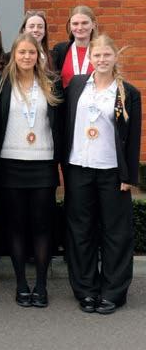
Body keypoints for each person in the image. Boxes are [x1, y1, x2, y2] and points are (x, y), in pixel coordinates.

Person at [63, 34, 141, 315]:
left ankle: (112, 292)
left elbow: (133, 138)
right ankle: (85, 289)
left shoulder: (127, 93)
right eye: (97, 55)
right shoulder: (76, 85)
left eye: (107, 55)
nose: (102, 59)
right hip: (79, 167)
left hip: (111, 171)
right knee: (80, 231)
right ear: (90, 58)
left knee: (116, 233)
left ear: (115, 57)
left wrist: (128, 177)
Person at [0, 33, 62, 308]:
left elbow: (59, 124)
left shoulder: (51, 84)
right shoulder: (2, 84)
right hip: (11, 163)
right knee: (16, 226)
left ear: (38, 56)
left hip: (43, 163)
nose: (26, 57)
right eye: (22, 52)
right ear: (14, 55)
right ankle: (22, 283)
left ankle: (42, 285)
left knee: (42, 226)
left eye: (31, 52)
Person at [52, 5, 97, 88]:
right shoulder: (59, 50)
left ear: (93, 24)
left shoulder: (101, 51)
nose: (80, 27)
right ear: (70, 26)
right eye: (75, 24)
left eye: (84, 23)